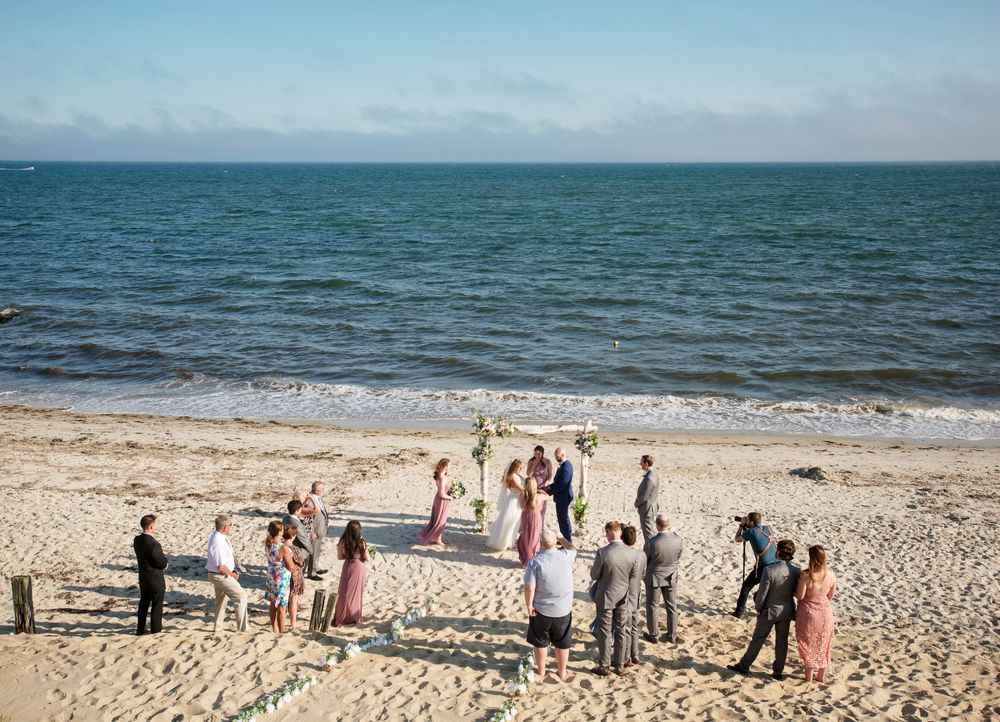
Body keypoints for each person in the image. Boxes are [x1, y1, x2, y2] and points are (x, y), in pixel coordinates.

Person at [727, 539, 800, 680]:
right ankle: (778, 671)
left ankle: (744, 665)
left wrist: (758, 608)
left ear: (777, 551)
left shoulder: (770, 569)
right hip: (787, 609)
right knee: (782, 640)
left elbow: (762, 593)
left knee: (758, 639)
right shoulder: (796, 570)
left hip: (770, 609)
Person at [523, 529, 576, 681]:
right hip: (563, 609)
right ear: (556, 542)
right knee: (562, 642)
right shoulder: (566, 556)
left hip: (541, 609)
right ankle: (562, 671)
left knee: (540, 641)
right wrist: (562, 537)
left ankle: (541, 670)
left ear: (541, 543)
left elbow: (529, 587)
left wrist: (529, 605)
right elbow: (573, 549)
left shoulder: (536, 561)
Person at [589, 520, 640, 677]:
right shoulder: (632, 553)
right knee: (622, 630)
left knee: (605, 631)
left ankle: (604, 665)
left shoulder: (603, 552)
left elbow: (594, 575)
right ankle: (619, 665)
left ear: (608, 532)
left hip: (606, 596)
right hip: (623, 596)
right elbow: (633, 576)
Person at [795, 544, 837, 683]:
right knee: (824, 645)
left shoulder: (806, 575)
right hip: (825, 613)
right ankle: (821, 676)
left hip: (809, 613)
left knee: (809, 644)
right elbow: (830, 596)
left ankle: (809, 678)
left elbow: (800, 596)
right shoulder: (830, 575)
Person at [643, 513, 684, 644]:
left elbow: (645, 560)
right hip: (671, 576)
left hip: (654, 577)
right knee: (671, 606)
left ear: (656, 525)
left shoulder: (652, 542)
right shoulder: (678, 540)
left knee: (652, 606)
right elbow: (678, 556)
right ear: (668, 524)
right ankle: (672, 635)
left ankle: (654, 635)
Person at [206, 515, 249, 632]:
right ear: (225, 527)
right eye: (230, 525)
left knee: (221, 600)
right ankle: (243, 628)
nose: (231, 527)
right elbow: (220, 566)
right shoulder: (217, 541)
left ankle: (217, 627)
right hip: (220, 575)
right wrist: (232, 574)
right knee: (241, 596)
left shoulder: (220, 537)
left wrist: (233, 570)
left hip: (219, 574)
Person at [732, 512, 779, 617]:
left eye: (748, 520)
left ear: (752, 522)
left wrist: (741, 526)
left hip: (764, 566)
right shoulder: (768, 528)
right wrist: (746, 525)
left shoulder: (752, 532)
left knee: (746, 586)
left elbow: (737, 539)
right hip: (776, 563)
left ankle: (739, 611)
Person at [133, 514, 168, 636]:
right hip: (155, 579)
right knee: (157, 605)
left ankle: (140, 629)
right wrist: (165, 565)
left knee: (143, 604)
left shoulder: (137, 540)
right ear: (152, 526)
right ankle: (156, 628)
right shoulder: (153, 544)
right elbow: (161, 563)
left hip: (144, 577)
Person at [334, 521, 371, 626]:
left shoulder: (343, 542)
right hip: (359, 567)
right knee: (358, 592)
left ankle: (343, 616)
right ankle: (355, 616)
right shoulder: (361, 542)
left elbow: (340, 557)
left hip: (348, 566)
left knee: (344, 591)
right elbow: (367, 558)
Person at [621, 524, 646, 668]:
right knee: (634, 626)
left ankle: (626, 658)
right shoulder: (642, 555)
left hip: (626, 595)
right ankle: (635, 654)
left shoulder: (624, 555)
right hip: (636, 594)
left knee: (626, 627)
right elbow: (642, 574)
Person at [487, 459, 525, 551]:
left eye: (520, 467)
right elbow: (522, 489)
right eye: (518, 467)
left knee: (515, 522)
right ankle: (506, 542)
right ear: (514, 467)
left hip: (517, 500)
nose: (520, 469)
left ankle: (511, 541)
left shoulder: (517, 475)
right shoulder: (511, 477)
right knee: (510, 522)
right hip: (513, 501)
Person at [264, 520, 293, 633]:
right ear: (279, 532)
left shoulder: (268, 543)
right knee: (282, 606)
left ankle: (274, 628)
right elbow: (290, 566)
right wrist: (296, 571)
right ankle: (281, 631)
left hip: (271, 574)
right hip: (281, 577)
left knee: (273, 602)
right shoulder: (282, 547)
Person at [417, 458, 453, 545]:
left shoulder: (442, 475)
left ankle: (438, 538)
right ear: (445, 466)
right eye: (449, 465)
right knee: (440, 521)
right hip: (442, 501)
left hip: (441, 500)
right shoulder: (442, 478)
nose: (450, 467)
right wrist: (450, 497)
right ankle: (427, 539)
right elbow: (441, 494)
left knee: (438, 521)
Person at [283, 499, 318, 580]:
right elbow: (304, 540)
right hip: (300, 550)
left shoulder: (285, 518)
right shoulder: (297, 525)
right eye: (300, 509)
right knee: (299, 571)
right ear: (297, 510)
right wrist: (311, 551)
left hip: (289, 547)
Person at [517, 477, 546, 567]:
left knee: (526, 536)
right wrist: (541, 491)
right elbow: (547, 496)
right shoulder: (538, 497)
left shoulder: (522, 497)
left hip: (525, 516)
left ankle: (526, 557)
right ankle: (533, 556)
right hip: (535, 517)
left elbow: (521, 506)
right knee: (535, 537)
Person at [304, 481, 330, 575]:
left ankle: (316, 567)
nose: (323, 490)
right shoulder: (310, 501)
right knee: (313, 551)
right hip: (314, 531)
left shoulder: (318, 498)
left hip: (320, 528)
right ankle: (312, 572)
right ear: (317, 491)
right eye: (322, 489)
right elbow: (308, 519)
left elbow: (322, 511)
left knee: (317, 550)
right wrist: (312, 532)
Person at [549, 447, 574, 542]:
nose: (555, 457)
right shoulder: (563, 465)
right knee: (562, 518)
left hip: (564, 496)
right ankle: (565, 537)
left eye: (557, 455)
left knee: (563, 518)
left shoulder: (566, 467)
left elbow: (561, 485)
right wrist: (548, 487)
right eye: (555, 455)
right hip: (562, 495)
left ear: (562, 455)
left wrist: (548, 492)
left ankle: (567, 540)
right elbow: (557, 482)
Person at [285, 523, 306, 631]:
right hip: (295, 575)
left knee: (285, 599)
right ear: (293, 536)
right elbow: (301, 562)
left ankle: (282, 620)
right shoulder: (294, 548)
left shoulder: (280, 547)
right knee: (293, 599)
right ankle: (293, 623)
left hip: (283, 575)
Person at [634, 455, 660, 544]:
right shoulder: (654, 473)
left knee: (648, 534)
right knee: (651, 531)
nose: (640, 463)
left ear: (646, 463)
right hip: (652, 507)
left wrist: (636, 504)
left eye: (641, 462)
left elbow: (643, 496)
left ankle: (651, 552)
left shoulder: (649, 478)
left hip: (647, 509)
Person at [526, 445, 553, 520]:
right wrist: (534, 464)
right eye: (535, 454)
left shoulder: (547, 461)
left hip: (543, 487)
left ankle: (540, 526)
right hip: (533, 487)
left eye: (539, 454)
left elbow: (550, 474)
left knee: (542, 508)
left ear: (542, 454)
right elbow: (529, 474)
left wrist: (547, 482)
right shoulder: (531, 461)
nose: (537, 456)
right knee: (533, 507)